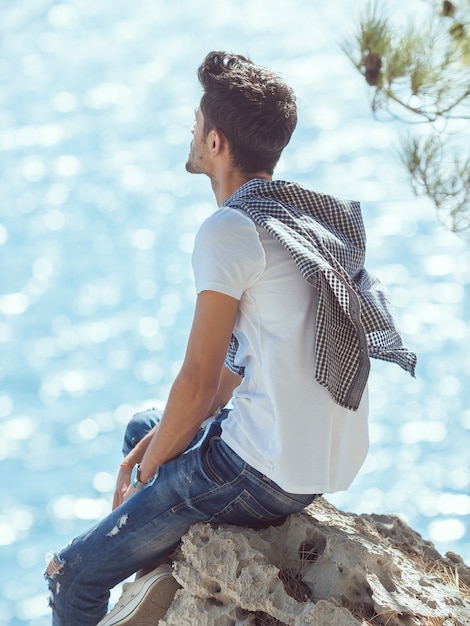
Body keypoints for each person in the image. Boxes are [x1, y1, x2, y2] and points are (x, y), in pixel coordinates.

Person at [45, 51, 416, 626]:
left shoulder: (228, 231)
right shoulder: (293, 219)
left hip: (259, 474)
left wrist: (143, 483)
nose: (190, 133)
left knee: (72, 575)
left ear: (215, 143)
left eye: (196, 124)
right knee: (145, 426)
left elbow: (196, 386)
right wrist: (154, 456)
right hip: (319, 464)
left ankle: (147, 561)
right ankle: (160, 559)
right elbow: (231, 376)